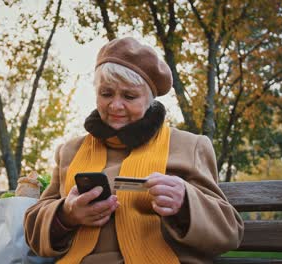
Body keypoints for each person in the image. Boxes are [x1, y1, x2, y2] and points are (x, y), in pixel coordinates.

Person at [24, 37, 244, 264]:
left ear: (150, 100)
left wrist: (186, 203)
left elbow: (228, 234)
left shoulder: (190, 146)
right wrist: (66, 214)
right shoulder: (70, 151)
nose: (115, 105)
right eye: (106, 94)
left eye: (129, 96)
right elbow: (33, 232)